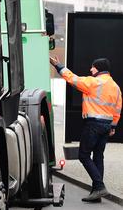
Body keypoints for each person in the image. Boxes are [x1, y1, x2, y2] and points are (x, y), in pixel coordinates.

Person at [50, 56, 122, 202]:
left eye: (93, 67)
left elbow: (73, 79)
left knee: (83, 155)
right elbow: (118, 108)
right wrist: (113, 125)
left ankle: (100, 186)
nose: (90, 69)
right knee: (98, 156)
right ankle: (97, 192)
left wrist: (59, 66)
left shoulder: (94, 82)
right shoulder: (115, 86)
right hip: (106, 126)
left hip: (93, 124)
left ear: (99, 69)